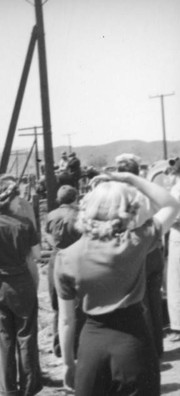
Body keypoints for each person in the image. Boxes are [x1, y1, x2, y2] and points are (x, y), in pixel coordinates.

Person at [55, 171, 180, 395]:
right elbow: (171, 204)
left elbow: (66, 320)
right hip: (134, 342)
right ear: (124, 211)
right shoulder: (135, 242)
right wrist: (129, 178)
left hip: (91, 345)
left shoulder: (66, 257)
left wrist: (68, 364)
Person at [0, 178, 43, 396]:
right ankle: (29, 388)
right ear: (9, 200)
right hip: (22, 284)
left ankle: (8, 390)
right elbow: (37, 256)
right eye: (17, 197)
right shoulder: (24, 224)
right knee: (27, 337)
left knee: (4, 339)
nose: (19, 201)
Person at [116, 153, 166, 356]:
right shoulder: (150, 193)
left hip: (137, 253)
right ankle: (158, 346)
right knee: (154, 299)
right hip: (155, 250)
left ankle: (147, 350)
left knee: (140, 302)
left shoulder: (122, 197)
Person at [44, 185, 83, 358]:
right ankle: (76, 344)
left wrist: (53, 243)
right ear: (75, 198)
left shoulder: (51, 215)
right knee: (77, 304)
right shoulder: (80, 215)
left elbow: (46, 235)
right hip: (76, 258)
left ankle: (59, 346)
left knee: (57, 304)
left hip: (56, 258)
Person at [166, 156, 180, 342]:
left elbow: (173, 217)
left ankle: (177, 325)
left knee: (175, 281)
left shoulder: (176, 190)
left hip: (178, 235)